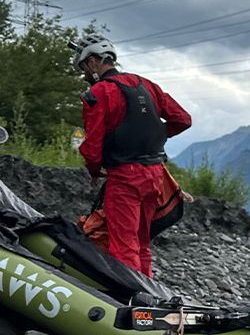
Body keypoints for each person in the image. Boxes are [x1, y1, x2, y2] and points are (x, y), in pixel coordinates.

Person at [70, 33, 192, 277]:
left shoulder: (98, 93)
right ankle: (149, 294)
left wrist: (94, 170)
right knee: (142, 242)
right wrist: (153, 135)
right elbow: (182, 119)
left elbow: (92, 145)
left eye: (84, 67)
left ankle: (131, 301)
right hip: (155, 175)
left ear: (94, 61)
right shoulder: (146, 84)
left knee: (124, 245)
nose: (84, 74)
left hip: (125, 177)